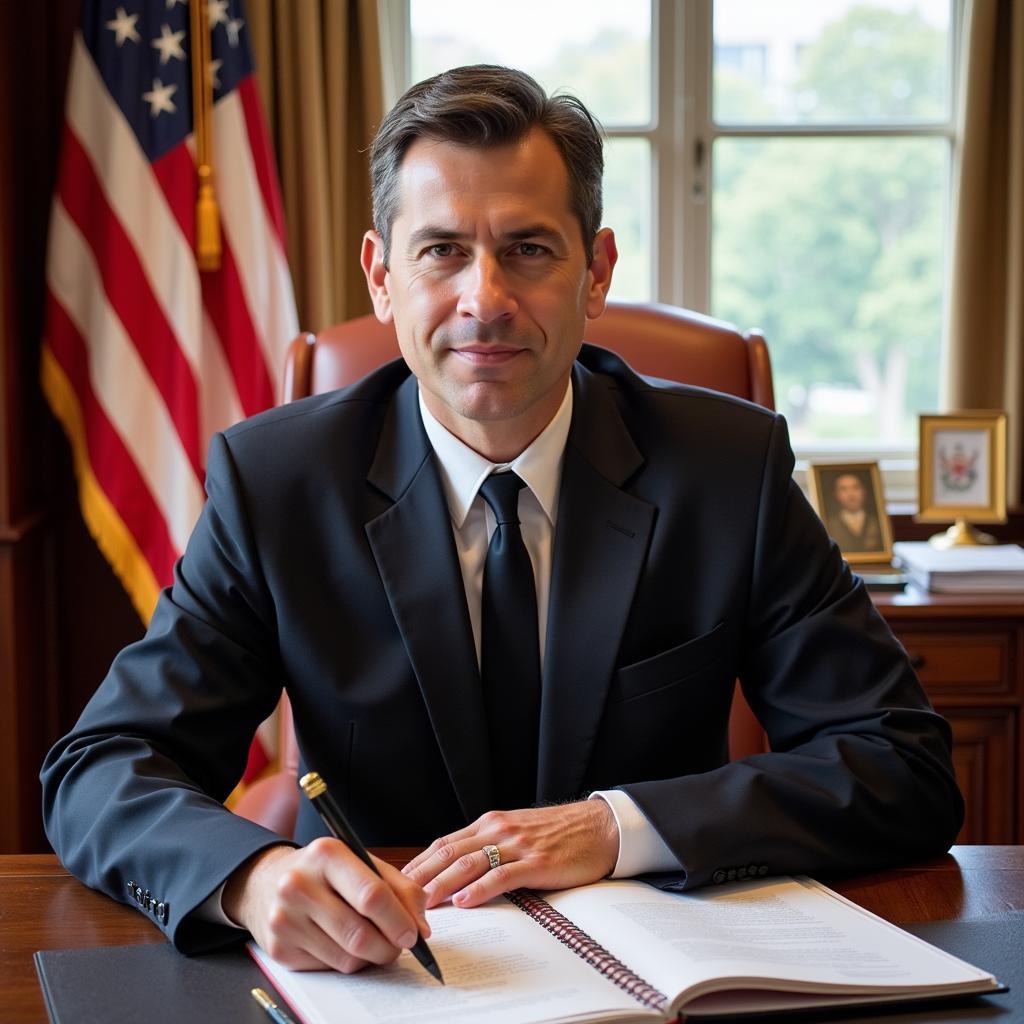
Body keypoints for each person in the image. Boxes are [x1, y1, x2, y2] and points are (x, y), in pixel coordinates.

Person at [42, 65, 962, 977]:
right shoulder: (278, 482)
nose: (485, 299)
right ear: (382, 276)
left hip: (666, 973)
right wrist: (247, 877)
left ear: (594, 271)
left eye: (528, 249)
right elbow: (103, 767)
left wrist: (616, 827)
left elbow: (898, 763)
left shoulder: (727, 469)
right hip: (386, 977)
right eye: (441, 250)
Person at [825, 471, 883, 554]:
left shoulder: (879, 523)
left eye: (856, 487)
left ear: (863, 491)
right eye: (844, 489)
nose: (851, 494)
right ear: (836, 495)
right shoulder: (829, 525)